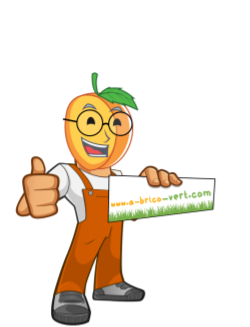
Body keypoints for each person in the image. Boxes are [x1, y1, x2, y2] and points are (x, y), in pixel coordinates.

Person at [16, 73, 182, 325]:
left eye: (116, 124)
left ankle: (109, 282)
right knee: (86, 245)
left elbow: (133, 213)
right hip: (86, 235)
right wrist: (32, 197)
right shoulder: (68, 173)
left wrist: (150, 190)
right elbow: (30, 201)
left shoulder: (119, 178)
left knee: (112, 240)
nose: (105, 135)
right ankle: (68, 291)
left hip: (112, 242)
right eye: (91, 121)